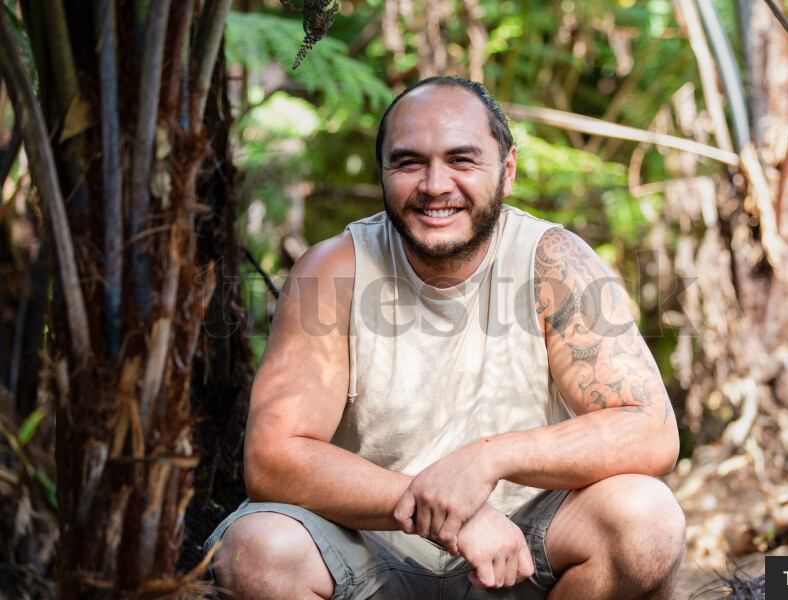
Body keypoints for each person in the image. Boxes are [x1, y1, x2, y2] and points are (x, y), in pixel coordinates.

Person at [206, 76, 685, 600]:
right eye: (409, 162)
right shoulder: (333, 270)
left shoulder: (553, 260)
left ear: (507, 170)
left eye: (462, 160)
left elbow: (651, 430)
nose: (435, 185)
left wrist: (489, 458)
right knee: (252, 548)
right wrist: (447, 513)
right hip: (374, 549)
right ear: (384, 172)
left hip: (524, 552)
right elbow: (272, 460)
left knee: (648, 519)